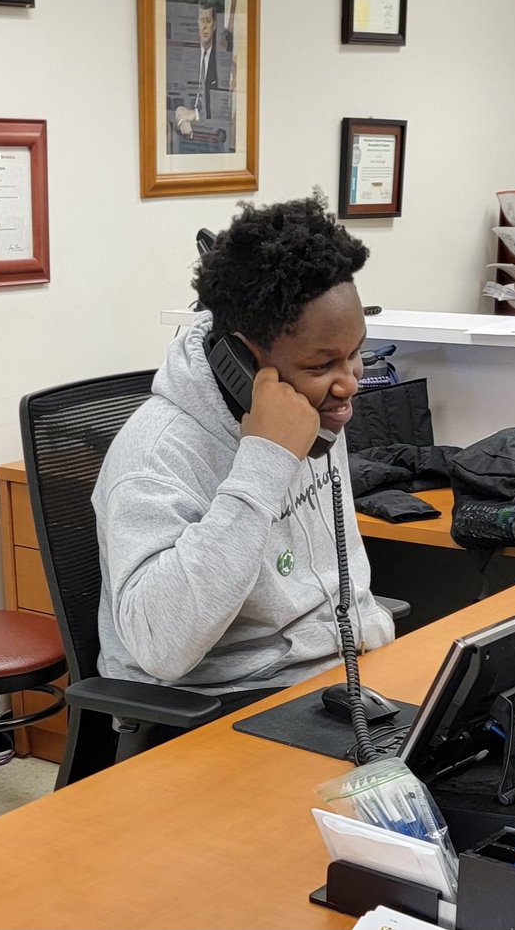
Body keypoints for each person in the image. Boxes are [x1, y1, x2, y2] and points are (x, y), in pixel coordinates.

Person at [93, 192, 394, 713]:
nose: (349, 383)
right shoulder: (155, 459)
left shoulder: (312, 411)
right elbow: (160, 647)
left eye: (356, 354)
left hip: (336, 681)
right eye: (323, 365)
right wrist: (263, 463)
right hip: (220, 704)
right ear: (240, 360)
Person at [174, 0, 229, 144]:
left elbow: (222, 109)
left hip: (213, 136)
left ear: (215, 25)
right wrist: (182, 118)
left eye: (208, 21)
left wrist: (195, 115)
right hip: (191, 138)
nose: (204, 27)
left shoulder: (222, 61)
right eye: (201, 21)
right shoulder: (188, 57)